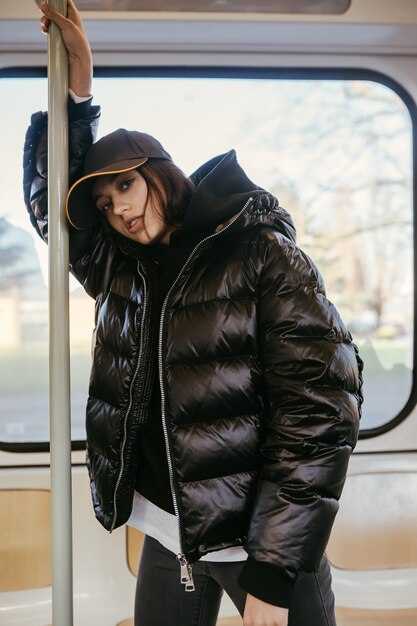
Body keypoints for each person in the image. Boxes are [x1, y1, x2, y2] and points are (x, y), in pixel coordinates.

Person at [24, 2, 363, 625]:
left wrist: (274, 570)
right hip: (168, 532)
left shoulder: (260, 253)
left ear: (157, 171)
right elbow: (54, 209)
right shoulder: (122, 274)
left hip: (263, 542)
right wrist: (75, 95)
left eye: (123, 185)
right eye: (103, 205)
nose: (118, 211)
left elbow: (320, 408)